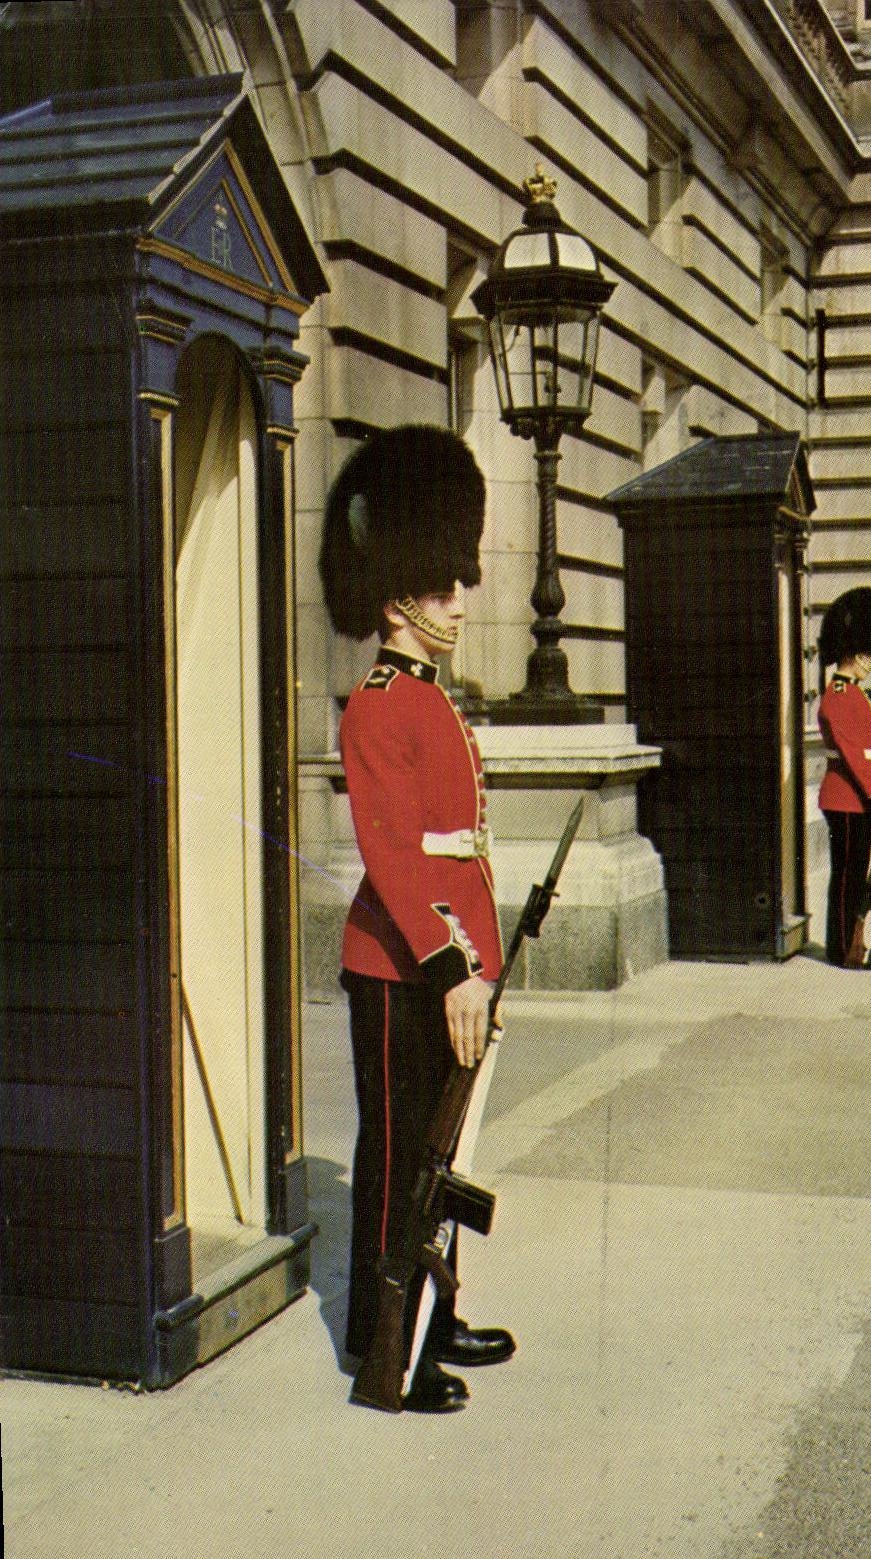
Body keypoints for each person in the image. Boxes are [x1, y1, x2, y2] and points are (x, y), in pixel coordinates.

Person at [319, 423, 516, 1414]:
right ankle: (383, 1349)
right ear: (397, 597)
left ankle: (433, 1316)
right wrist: (454, 971)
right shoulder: (377, 706)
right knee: (399, 1161)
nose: (456, 600)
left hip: (446, 963)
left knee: (443, 1156)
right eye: (440, 587)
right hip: (402, 971)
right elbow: (395, 860)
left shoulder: (430, 699)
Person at [816, 586, 871, 969]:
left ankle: (854, 943)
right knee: (848, 877)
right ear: (851, 653)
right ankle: (841, 949)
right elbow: (853, 756)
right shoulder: (838, 694)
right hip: (846, 798)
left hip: (856, 798)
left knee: (857, 877)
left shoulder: (851, 693)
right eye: (867, 655)